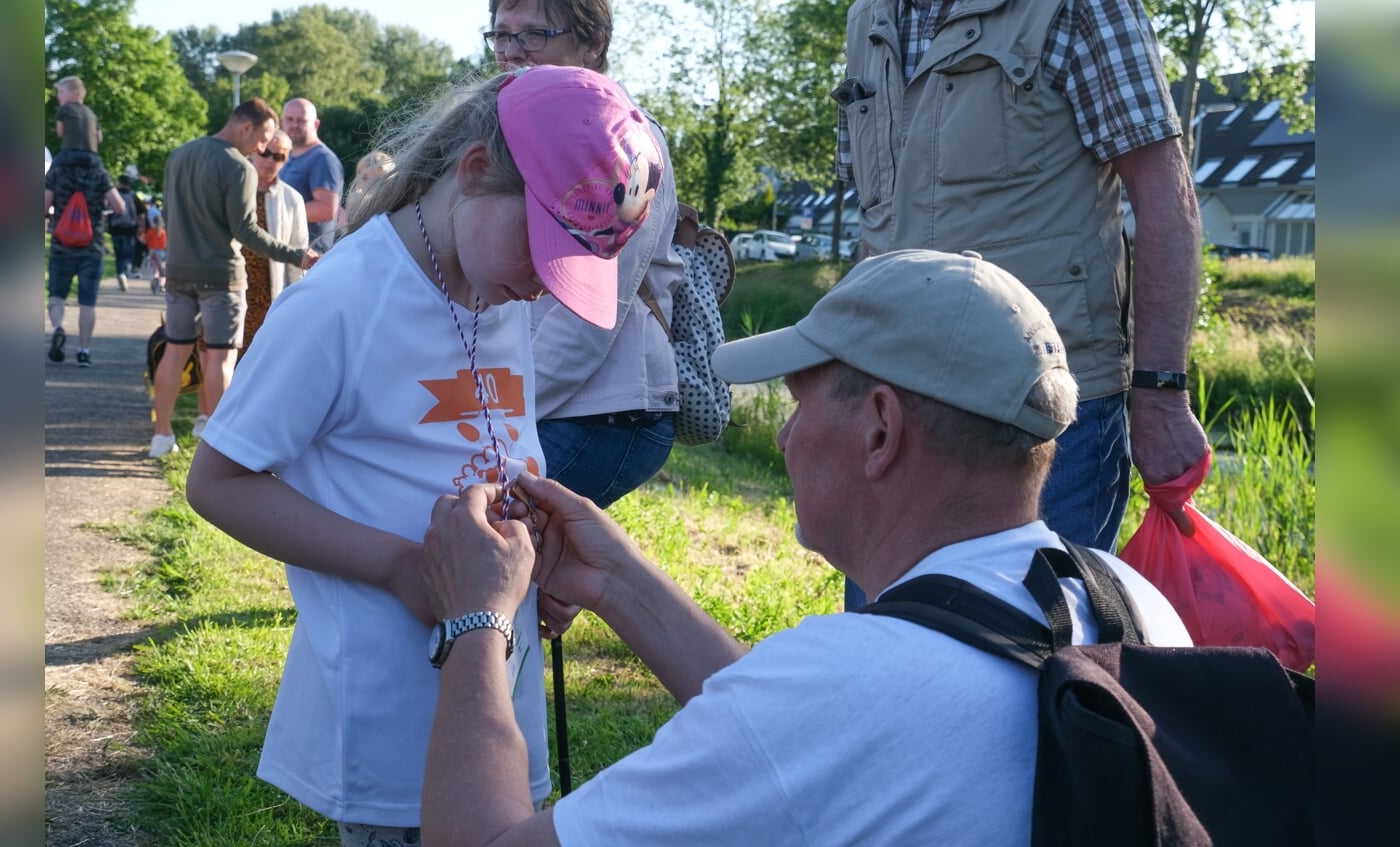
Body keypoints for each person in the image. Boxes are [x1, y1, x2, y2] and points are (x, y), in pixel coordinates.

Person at [415, 249, 1193, 845]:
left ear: (880, 428)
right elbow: (800, 731)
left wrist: (477, 618)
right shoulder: (1132, 605)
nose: (785, 437)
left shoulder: (838, 686)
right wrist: (615, 579)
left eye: (798, 404)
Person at [184, 66, 663, 847]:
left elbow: (494, 445)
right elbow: (220, 481)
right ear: (473, 171)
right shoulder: (341, 302)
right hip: (390, 722)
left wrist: (537, 555)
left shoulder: (494, 283)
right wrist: (404, 567)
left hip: (495, 701)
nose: (545, 287)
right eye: (542, 250)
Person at [832, 0, 1210, 602]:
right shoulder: (868, 19)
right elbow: (878, 220)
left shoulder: (1080, 7)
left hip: (1048, 410)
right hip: (895, 397)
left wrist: (1161, 393)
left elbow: (1165, 193)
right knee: (887, 636)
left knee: (1036, 658)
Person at [488, 0, 684, 508]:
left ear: (592, 43)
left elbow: (586, 322)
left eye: (533, 35)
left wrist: (497, 416)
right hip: (542, 398)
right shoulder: (513, 129)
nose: (511, 53)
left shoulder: (625, 143)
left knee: (480, 529)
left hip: (605, 413)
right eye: (501, 35)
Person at [149, 97, 319, 458]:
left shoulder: (179, 155)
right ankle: (219, 442)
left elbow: (170, 213)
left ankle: (161, 436)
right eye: (263, 138)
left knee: (175, 352)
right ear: (246, 127)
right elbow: (248, 233)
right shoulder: (239, 168)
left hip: (178, 273)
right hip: (222, 277)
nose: (262, 148)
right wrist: (297, 255)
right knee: (221, 359)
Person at [45, 146, 126, 367]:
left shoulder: (57, 171)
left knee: (56, 296)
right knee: (87, 303)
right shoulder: (99, 172)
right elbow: (120, 207)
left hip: (61, 246)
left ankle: (58, 328)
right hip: (92, 247)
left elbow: (43, 205)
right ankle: (83, 351)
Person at [237, 131, 308, 361]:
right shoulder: (232, 188)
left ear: (286, 160)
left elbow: (299, 249)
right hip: (233, 286)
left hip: (270, 295)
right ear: (255, 151)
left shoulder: (291, 199)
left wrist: (298, 300)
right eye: (265, 153)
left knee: (260, 361)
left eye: (278, 157)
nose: (269, 160)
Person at [278, 97, 345, 247]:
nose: (294, 125)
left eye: (301, 120)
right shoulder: (287, 155)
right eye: (289, 119)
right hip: (287, 254)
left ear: (315, 124)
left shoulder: (323, 159)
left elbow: (327, 209)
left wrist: (276, 211)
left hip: (309, 260)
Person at [336, 148, 395, 232]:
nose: (357, 181)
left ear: (383, 182)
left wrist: (344, 223)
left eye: (365, 177)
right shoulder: (356, 202)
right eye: (358, 174)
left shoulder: (377, 210)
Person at [52, 76, 101, 169]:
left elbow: (60, 132)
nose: (58, 96)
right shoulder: (91, 113)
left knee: (50, 179)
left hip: (70, 154)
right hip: (91, 156)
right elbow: (99, 138)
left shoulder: (64, 109)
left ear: (75, 93)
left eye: (61, 92)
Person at [109, 173, 141, 290]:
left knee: (118, 254)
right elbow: (141, 214)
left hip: (116, 228)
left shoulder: (114, 194)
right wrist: (141, 228)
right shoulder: (133, 196)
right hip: (130, 228)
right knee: (128, 252)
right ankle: (125, 271)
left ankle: (120, 273)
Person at [143, 211, 167, 294]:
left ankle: (154, 281)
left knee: (155, 269)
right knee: (162, 270)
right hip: (161, 252)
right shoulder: (163, 232)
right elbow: (165, 244)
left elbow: (145, 241)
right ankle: (162, 285)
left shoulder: (150, 231)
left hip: (152, 251)